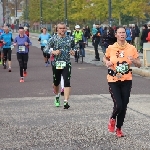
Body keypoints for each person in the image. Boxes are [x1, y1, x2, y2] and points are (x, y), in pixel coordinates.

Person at [103, 27, 141, 137]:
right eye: (119, 33)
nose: (122, 34)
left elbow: (139, 64)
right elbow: (104, 58)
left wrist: (134, 61)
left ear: (126, 34)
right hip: (113, 79)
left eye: (123, 32)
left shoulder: (131, 48)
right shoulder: (111, 47)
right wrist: (107, 62)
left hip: (127, 79)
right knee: (118, 104)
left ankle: (119, 128)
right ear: (116, 35)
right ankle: (112, 118)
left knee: (124, 106)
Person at [44, 22, 76, 109]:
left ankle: (66, 101)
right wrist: (53, 52)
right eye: (60, 28)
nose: (62, 30)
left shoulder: (70, 38)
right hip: (56, 63)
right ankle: (57, 96)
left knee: (67, 81)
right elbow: (45, 49)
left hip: (66, 63)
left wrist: (74, 51)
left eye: (64, 28)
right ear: (57, 29)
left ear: (66, 29)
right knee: (56, 82)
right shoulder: (53, 39)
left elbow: (74, 47)